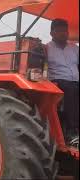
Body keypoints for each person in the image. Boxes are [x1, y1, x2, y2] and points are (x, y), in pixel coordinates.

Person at [46, 18, 79, 146]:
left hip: (75, 80)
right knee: (71, 89)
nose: (63, 33)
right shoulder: (47, 48)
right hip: (57, 81)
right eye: (59, 30)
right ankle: (72, 132)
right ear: (52, 33)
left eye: (65, 30)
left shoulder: (74, 48)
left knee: (74, 87)